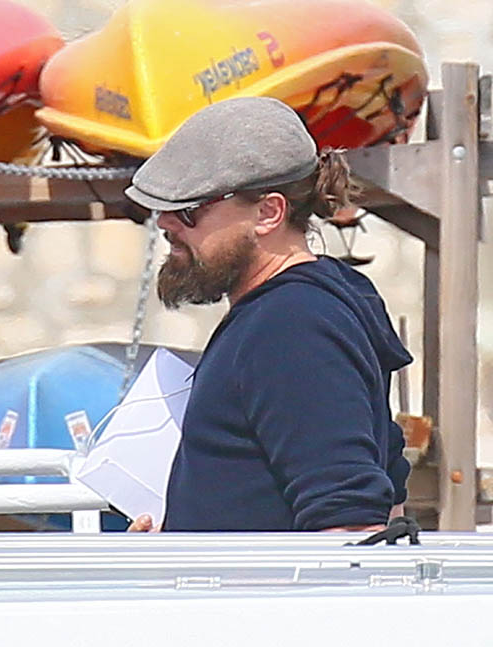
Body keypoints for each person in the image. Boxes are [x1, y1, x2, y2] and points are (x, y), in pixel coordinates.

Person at [124, 96, 412, 532]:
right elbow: (386, 499)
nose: (166, 223)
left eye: (189, 210)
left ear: (268, 213)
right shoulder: (307, 305)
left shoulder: (291, 324)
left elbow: (350, 521)